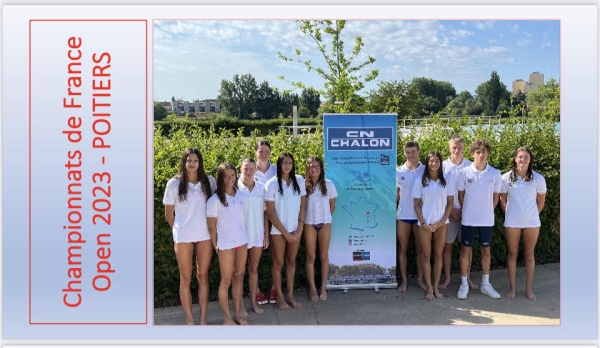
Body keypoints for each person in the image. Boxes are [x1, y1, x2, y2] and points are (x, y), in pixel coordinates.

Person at [162, 148, 216, 325]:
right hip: (183, 237)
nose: (192, 164)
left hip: (205, 236)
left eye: (195, 160)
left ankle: (202, 319)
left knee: (203, 276)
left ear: (200, 163)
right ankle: (190, 320)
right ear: (183, 162)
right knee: (185, 278)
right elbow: (169, 214)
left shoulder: (210, 182)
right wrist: (179, 230)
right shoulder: (174, 184)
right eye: (189, 160)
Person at [456, 139, 503, 300]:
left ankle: (485, 284)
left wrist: (486, 211)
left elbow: (495, 198)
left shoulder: (495, 174)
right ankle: (464, 284)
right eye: (478, 152)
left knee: (486, 251)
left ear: (488, 153)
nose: (481, 155)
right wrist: (468, 210)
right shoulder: (464, 173)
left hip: (486, 220)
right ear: (472, 154)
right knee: (465, 250)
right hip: (468, 219)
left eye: (483, 152)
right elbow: (461, 196)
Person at [499, 147, 547, 301]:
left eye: (526, 157)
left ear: (530, 160)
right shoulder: (505, 178)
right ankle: (512, 289)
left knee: (529, 255)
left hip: (532, 223)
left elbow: (541, 203)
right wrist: (510, 213)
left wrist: (531, 215)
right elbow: (502, 199)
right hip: (512, 222)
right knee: (512, 254)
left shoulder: (538, 179)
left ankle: (528, 289)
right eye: (520, 157)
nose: (523, 160)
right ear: (515, 159)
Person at [207, 162, 249, 325]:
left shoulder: (240, 195)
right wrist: (217, 247)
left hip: (242, 242)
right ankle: (227, 318)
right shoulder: (214, 200)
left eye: (232, 175)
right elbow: (211, 227)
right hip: (225, 245)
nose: (230, 179)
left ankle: (237, 315)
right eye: (226, 176)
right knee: (226, 281)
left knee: (239, 277)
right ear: (221, 178)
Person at [264, 153, 307, 310]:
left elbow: (303, 206)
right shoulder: (271, 184)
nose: (287, 165)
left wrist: (300, 227)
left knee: (291, 261)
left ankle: (290, 295)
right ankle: (280, 297)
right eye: (284, 163)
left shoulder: (300, 180)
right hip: (278, 231)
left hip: (296, 229)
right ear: (279, 164)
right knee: (279, 262)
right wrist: (286, 234)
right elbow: (270, 213)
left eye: (290, 162)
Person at [413, 151, 455, 300]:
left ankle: (436, 287)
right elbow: (417, 205)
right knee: (426, 256)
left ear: (440, 163)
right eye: (431, 161)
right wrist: (423, 223)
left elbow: (450, 203)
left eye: (437, 161)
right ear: (427, 162)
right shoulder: (420, 181)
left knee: (438, 255)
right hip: (424, 224)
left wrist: (442, 221)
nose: (434, 163)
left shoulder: (448, 180)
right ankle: (429, 288)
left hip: (442, 224)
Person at [441, 135, 476, 290]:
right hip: (447, 214)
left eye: (459, 147)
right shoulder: (441, 166)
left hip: (466, 214)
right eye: (454, 147)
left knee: (467, 248)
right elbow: (438, 192)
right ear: (449, 148)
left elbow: (473, 193)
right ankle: (447, 278)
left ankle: (467, 278)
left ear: (463, 148)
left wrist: (461, 211)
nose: (457, 150)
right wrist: (449, 212)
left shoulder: (470, 166)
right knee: (446, 247)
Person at [238, 158, 270, 313]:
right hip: (239, 237)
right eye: (246, 169)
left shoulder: (262, 188)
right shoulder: (234, 188)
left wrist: (266, 235)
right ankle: (240, 307)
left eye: (251, 169)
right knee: (239, 273)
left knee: (253, 269)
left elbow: (265, 213)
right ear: (240, 169)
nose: (249, 172)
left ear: (256, 170)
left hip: (257, 235)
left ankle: (253, 303)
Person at [304, 156, 338, 302]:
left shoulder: (329, 184)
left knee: (324, 257)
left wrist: (324, 217)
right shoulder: (303, 185)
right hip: (309, 223)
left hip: (325, 223)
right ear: (308, 169)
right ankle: (312, 289)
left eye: (317, 166)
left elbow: (332, 206)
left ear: (321, 168)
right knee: (311, 257)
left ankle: (323, 288)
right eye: (311, 166)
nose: (314, 169)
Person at [396, 141, 426, 292]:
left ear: (419, 152)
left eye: (413, 152)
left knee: (421, 249)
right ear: (404, 153)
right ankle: (404, 281)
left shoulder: (426, 170)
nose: (411, 155)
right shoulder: (398, 171)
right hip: (403, 215)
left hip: (421, 216)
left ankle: (420, 280)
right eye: (408, 152)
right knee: (403, 249)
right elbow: (396, 195)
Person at [253, 139, 278, 304]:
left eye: (266, 151)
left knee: (277, 256)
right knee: (254, 259)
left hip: (275, 216)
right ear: (255, 152)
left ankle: (275, 289)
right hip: (255, 218)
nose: (263, 154)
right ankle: (256, 291)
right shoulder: (248, 170)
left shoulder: (276, 170)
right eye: (260, 151)